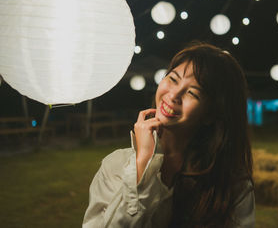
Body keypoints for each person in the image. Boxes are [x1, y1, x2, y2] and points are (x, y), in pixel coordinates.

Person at [83, 43, 255, 227]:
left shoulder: (231, 183)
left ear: (210, 115)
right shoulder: (115, 165)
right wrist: (143, 164)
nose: (174, 95)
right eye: (173, 79)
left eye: (192, 93)